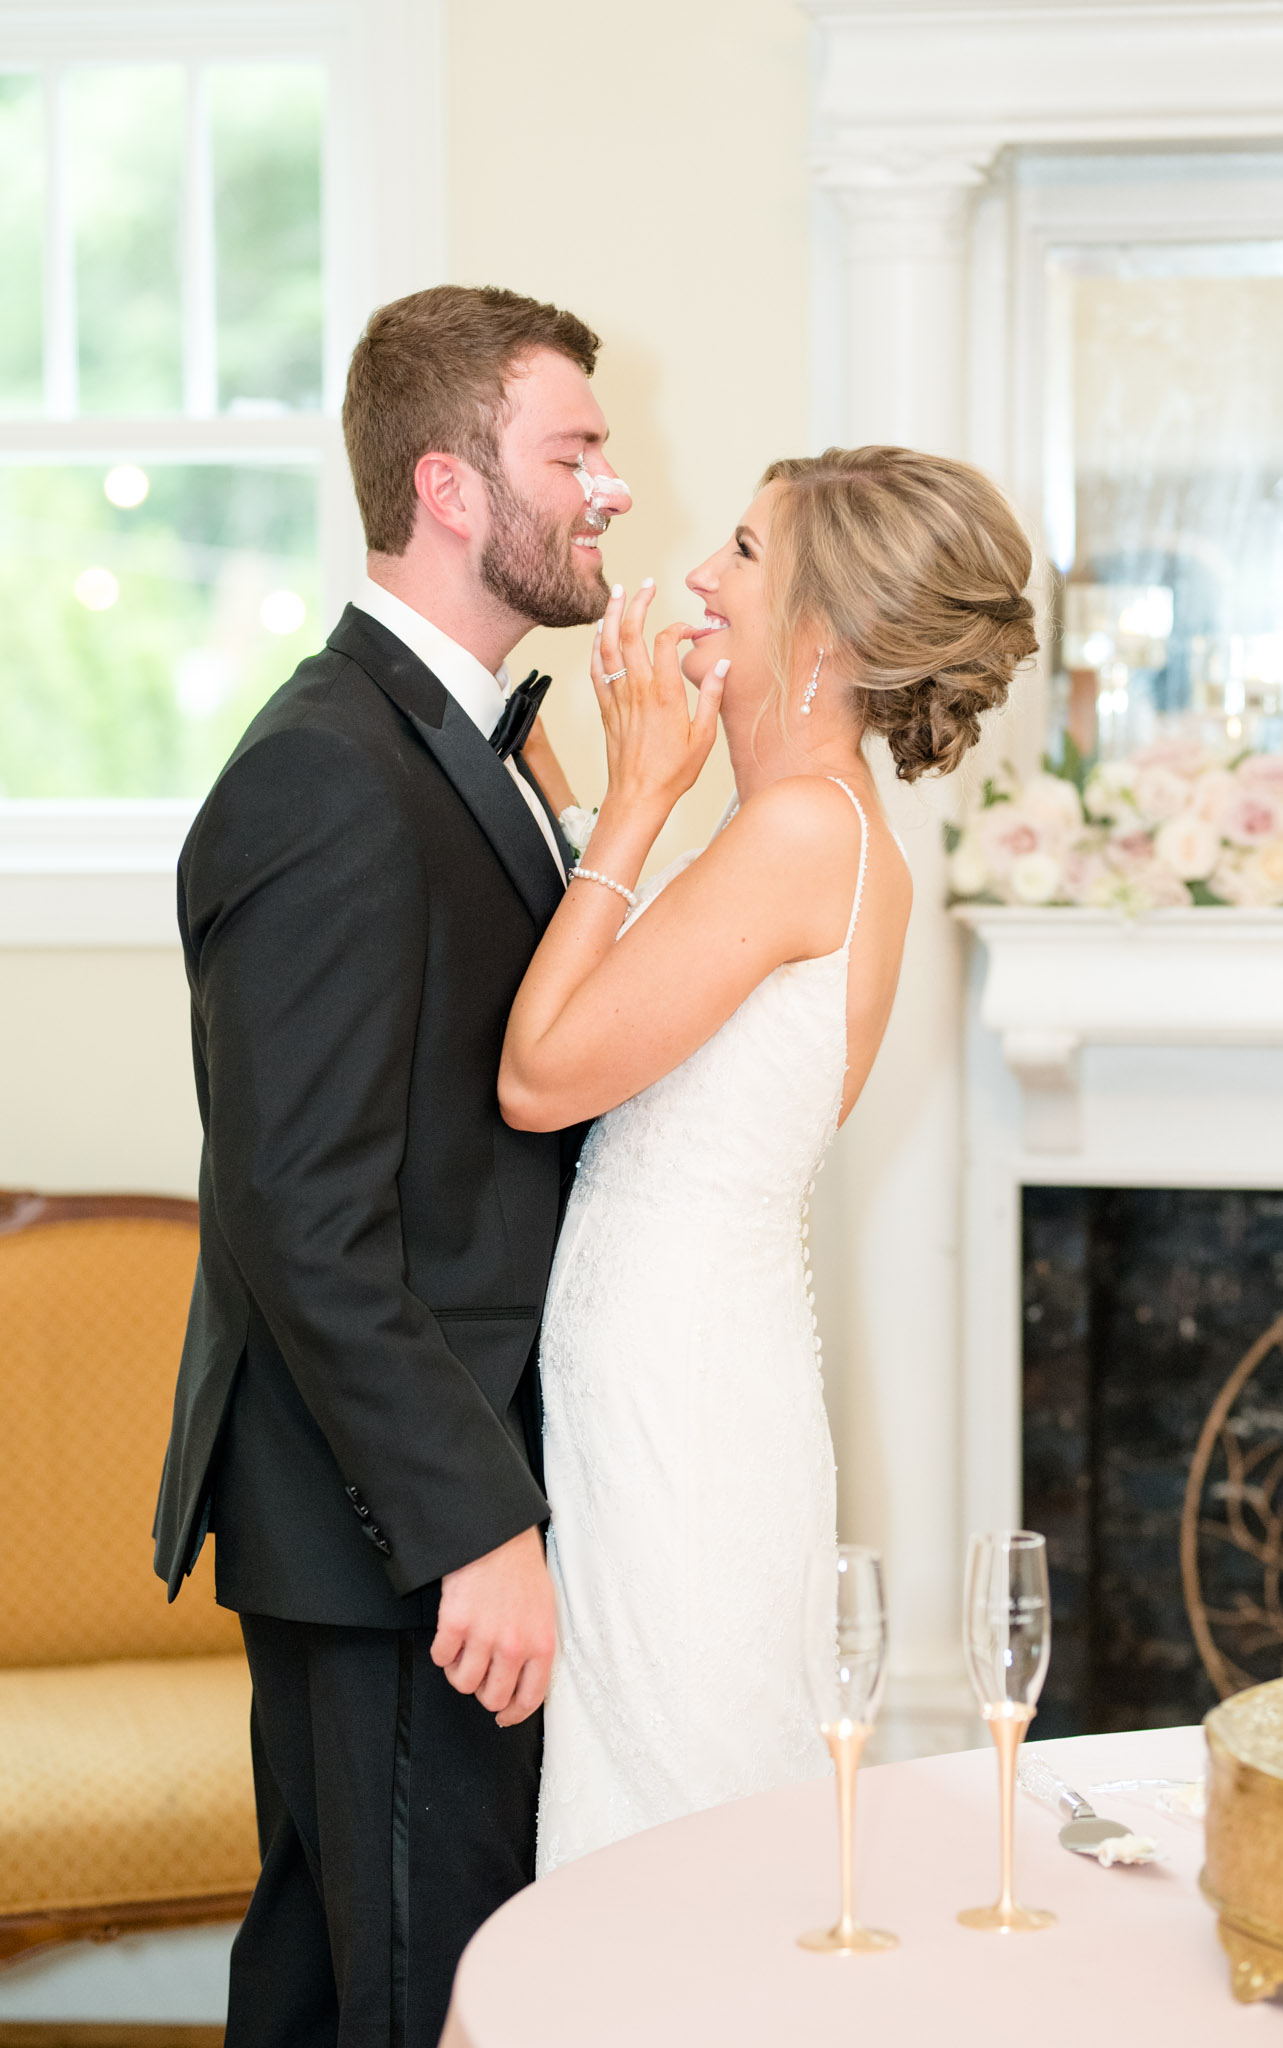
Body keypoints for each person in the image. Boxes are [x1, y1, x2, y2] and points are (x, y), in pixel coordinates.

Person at [152, 283, 630, 2048]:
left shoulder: (457, 744)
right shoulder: (328, 775)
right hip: (393, 1542)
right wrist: (471, 1525)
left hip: (415, 1513)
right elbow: (304, 1215)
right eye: (573, 450)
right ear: (448, 488)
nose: (612, 489)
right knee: (419, 2005)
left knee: (329, 1992)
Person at [497, 446, 1038, 1872]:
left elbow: (543, 1078)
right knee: (669, 1771)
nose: (698, 579)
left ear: (831, 634)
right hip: (691, 1358)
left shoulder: (799, 832)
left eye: (743, 551)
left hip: (681, 1381)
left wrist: (631, 803)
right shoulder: (822, 832)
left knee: (670, 1806)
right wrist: (586, 821)